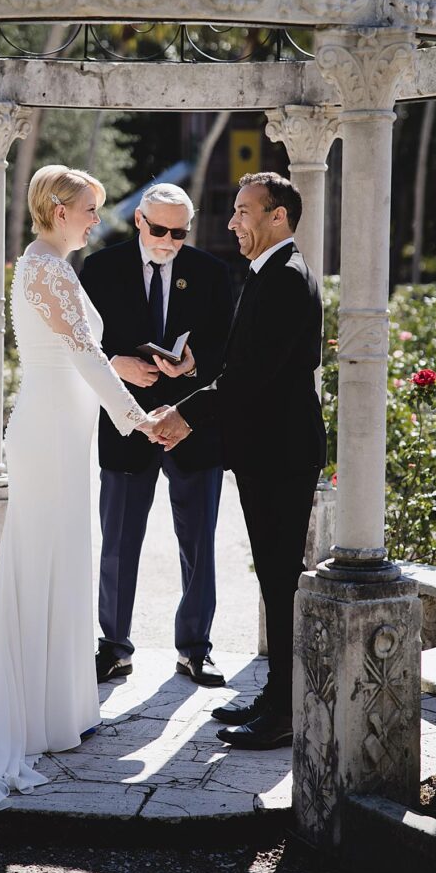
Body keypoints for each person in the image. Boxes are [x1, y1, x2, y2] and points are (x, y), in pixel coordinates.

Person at [0, 165, 165, 812]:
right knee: (38, 565)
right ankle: (24, 719)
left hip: (65, 436)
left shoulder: (54, 267)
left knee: (63, 564)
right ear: (53, 208)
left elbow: (84, 353)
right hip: (46, 437)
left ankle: (56, 714)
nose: (94, 219)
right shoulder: (44, 269)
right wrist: (137, 417)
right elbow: (78, 357)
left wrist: (126, 370)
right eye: (87, 207)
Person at [150, 172, 326, 750]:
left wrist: (185, 411)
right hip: (266, 453)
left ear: (278, 217)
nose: (232, 223)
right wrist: (196, 377)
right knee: (275, 579)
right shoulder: (268, 273)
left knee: (280, 580)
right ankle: (278, 695)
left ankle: (284, 713)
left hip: (282, 455)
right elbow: (243, 363)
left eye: (245, 212)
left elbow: (251, 378)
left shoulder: (285, 279)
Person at [80, 184, 232, 688]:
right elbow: (79, 342)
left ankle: (195, 650)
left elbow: (226, 349)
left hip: (193, 424)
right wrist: (116, 364)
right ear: (139, 221)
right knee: (119, 542)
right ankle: (114, 647)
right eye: (161, 229)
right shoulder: (99, 268)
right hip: (125, 423)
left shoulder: (211, 272)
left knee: (199, 544)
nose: (169, 241)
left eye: (180, 232)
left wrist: (193, 365)